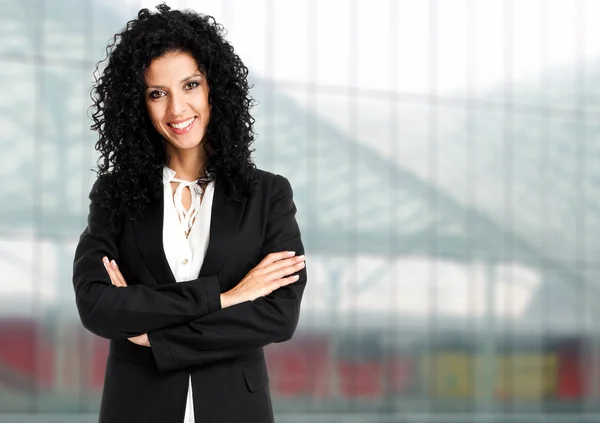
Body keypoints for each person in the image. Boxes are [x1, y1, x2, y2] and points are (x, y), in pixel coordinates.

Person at [72, 3, 307, 422]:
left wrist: (156, 337)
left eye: (191, 85)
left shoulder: (268, 194)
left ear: (215, 87)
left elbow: (278, 315)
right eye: (157, 93)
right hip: (137, 407)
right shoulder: (115, 195)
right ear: (137, 105)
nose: (177, 110)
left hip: (237, 408)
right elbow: (97, 305)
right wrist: (228, 297)